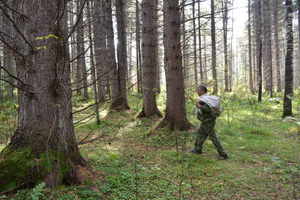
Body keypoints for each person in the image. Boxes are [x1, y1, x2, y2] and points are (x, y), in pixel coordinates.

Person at [190, 85, 228, 159]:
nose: (197, 92)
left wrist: (199, 106)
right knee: (200, 134)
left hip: (208, 121)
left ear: (202, 91)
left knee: (213, 137)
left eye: (198, 91)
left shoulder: (205, 100)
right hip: (205, 121)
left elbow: (207, 109)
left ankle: (223, 154)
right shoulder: (205, 98)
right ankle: (197, 150)